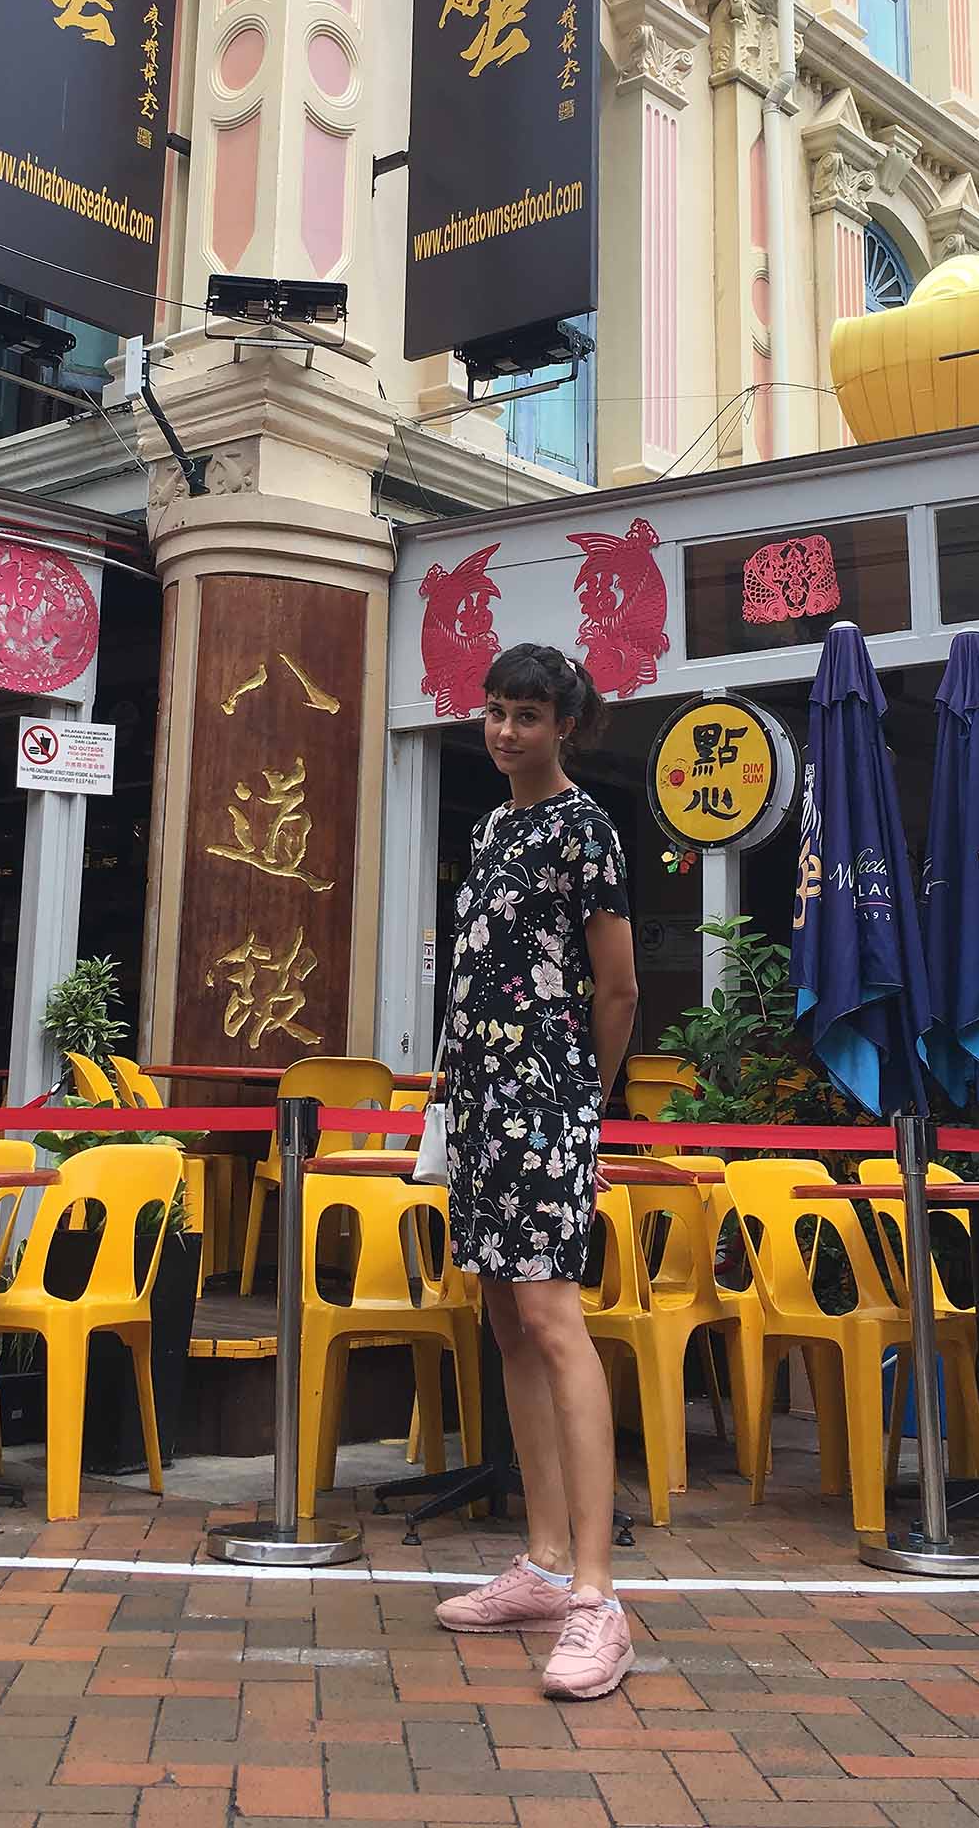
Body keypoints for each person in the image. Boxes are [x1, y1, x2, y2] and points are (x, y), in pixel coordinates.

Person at [432, 642, 640, 1698]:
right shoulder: (491, 827)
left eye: (527, 713)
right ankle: (546, 1562)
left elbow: (619, 987)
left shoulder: (584, 826)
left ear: (566, 723)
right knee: (508, 1322)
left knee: (555, 1321)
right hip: (478, 1104)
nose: (506, 730)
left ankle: (599, 1596)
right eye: (496, 710)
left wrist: (580, 1106)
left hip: (546, 1101)